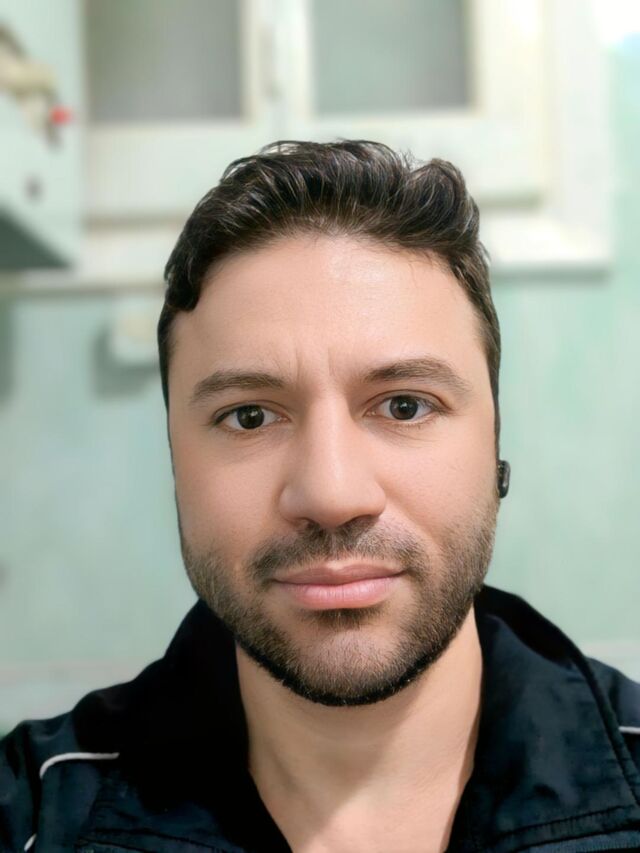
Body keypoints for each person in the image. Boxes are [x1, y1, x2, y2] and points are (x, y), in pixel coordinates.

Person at [1, 141, 639, 853]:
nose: (332, 494)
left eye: (404, 405)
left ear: (494, 448)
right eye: (249, 416)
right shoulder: (30, 821)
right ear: (176, 463)